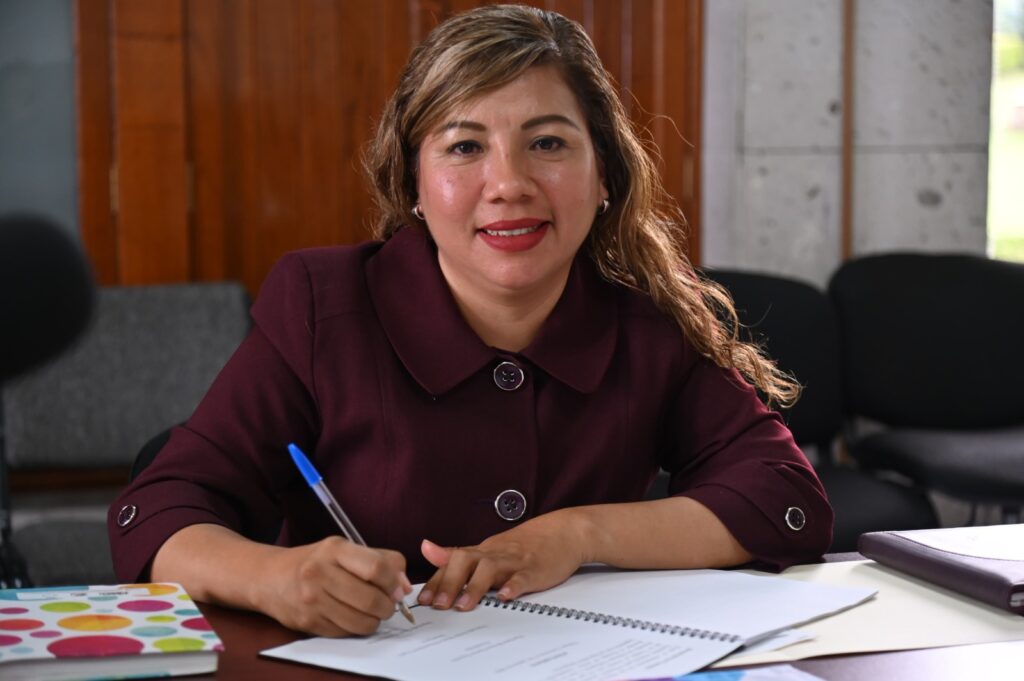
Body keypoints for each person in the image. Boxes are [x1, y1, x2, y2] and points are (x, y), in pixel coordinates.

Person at [108, 4, 832, 638]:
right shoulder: (322, 304)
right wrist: (274, 577)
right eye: (464, 147)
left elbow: (784, 497)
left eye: (547, 143)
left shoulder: (648, 317)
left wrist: (579, 533)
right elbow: (159, 510)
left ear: (605, 175)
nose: (509, 183)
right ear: (414, 184)